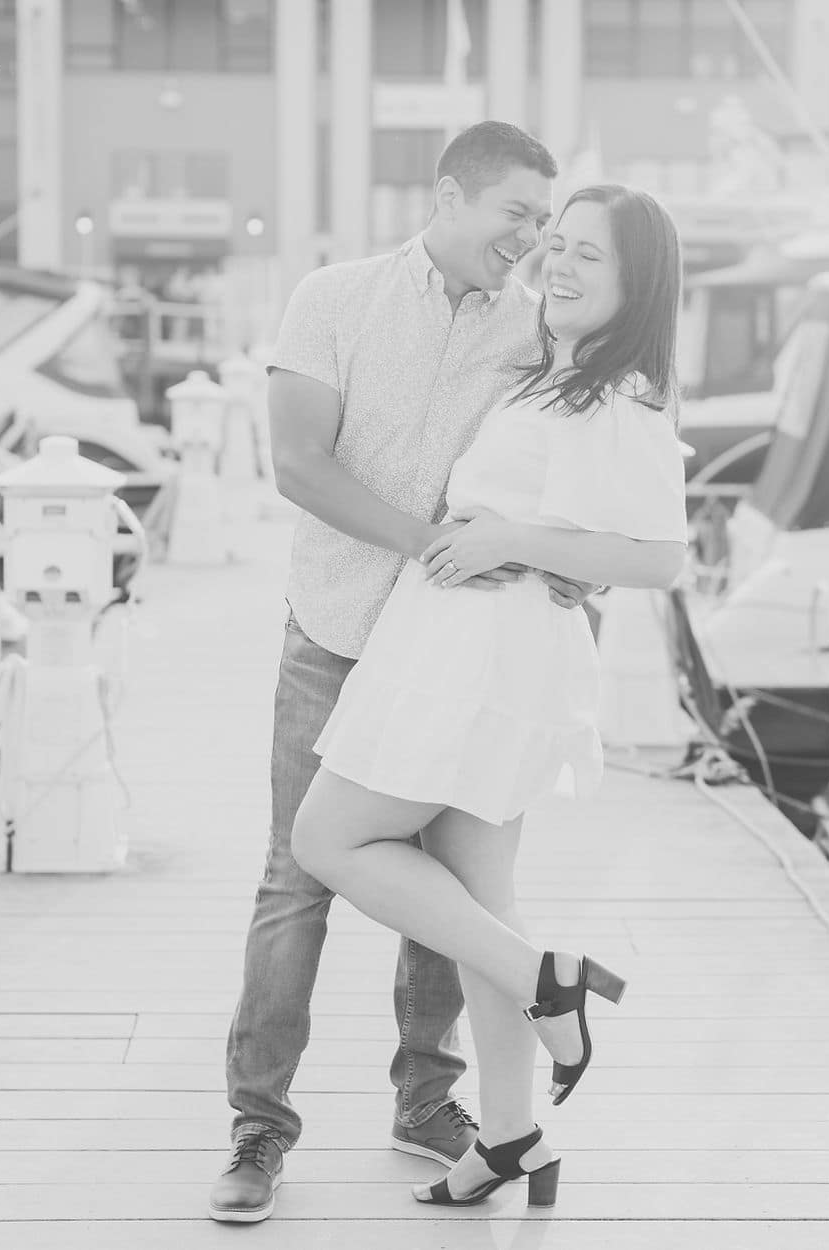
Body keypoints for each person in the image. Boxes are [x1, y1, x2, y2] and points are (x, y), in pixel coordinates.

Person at [290, 184, 689, 1208]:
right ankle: (511, 1135)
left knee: (327, 839)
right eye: (554, 245)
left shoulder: (620, 393)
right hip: (467, 637)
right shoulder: (558, 378)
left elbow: (658, 557)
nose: (556, 264)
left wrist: (514, 540)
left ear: (637, 280)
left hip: (480, 653)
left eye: (587, 255)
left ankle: (546, 975)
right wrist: (532, 541)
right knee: (476, 899)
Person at [209, 121, 579, 1225]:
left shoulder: (537, 337)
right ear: (449, 194)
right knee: (296, 882)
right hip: (334, 629)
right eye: (514, 212)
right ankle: (258, 1128)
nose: (530, 239)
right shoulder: (332, 297)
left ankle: (428, 1101)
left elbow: (552, 484)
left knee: (445, 889)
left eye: (544, 222)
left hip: (455, 654)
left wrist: (562, 564)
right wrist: (429, 545)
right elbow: (299, 466)